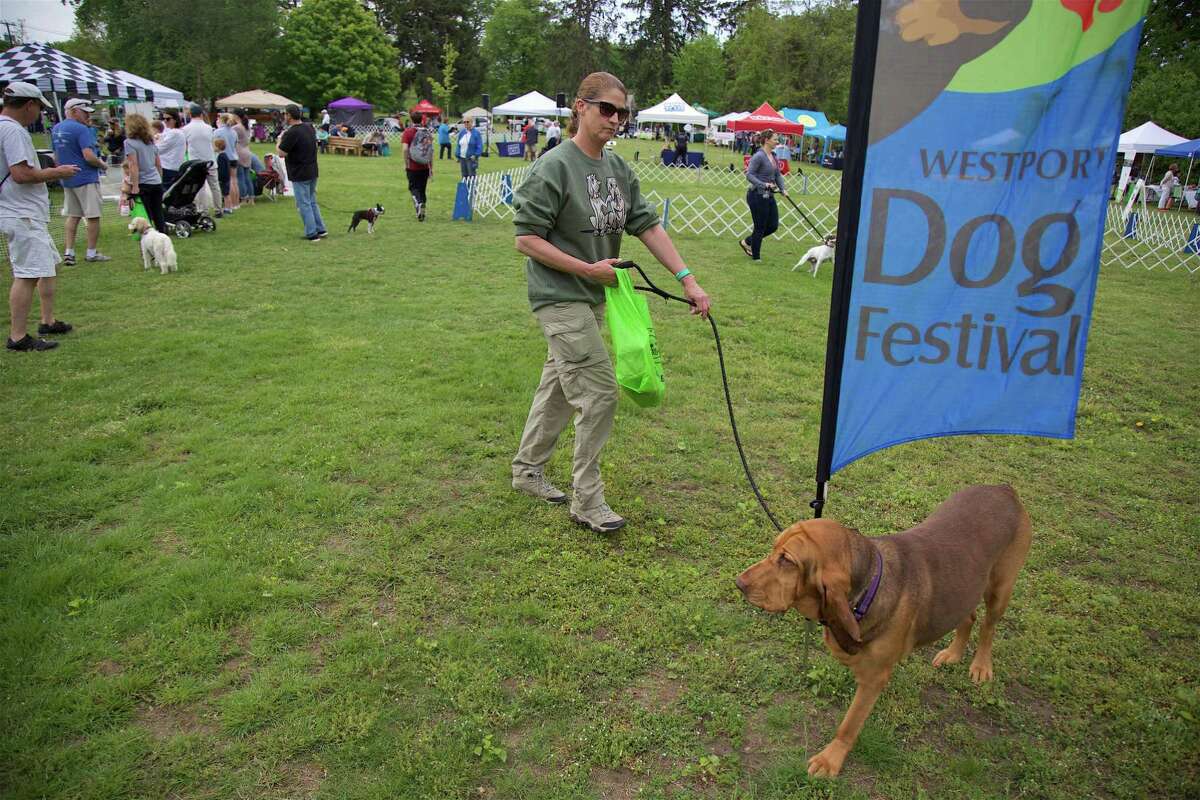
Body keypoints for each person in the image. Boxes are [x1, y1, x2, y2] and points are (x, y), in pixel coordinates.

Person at [510, 71, 712, 534]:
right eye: (607, 109)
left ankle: (527, 470)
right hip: (559, 297)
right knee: (598, 391)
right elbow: (526, 239)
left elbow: (648, 226)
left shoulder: (618, 170)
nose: (616, 119)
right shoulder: (556, 165)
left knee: (559, 388)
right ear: (580, 108)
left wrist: (688, 280)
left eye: (623, 112)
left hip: (592, 298)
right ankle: (587, 499)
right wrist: (587, 270)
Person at [2, 83, 81, 352]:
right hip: (21, 212)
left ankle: (47, 320)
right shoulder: (12, 130)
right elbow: (21, 174)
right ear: (29, 105)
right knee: (27, 274)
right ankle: (18, 337)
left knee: (48, 264)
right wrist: (57, 172)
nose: (39, 114)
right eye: (38, 108)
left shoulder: (5, 127)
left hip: (25, 211)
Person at [50, 97, 111, 265]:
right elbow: (89, 156)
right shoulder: (82, 129)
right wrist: (102, 165)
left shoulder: (56, 129)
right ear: (74, 111)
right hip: (86, 178)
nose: (87, 116)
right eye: (84, 112)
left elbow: (56, 156)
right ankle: (91, 252)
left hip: (68, 178)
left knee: (73, 215)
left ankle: (69, 252)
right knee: (93, 216)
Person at [277, 104, 326, 241]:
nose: (284, 117)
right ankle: (320, 229)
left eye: (285, 114)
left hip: (300, 172)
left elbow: (281, 153)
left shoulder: (292, 132)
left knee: (303, 203)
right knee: (311, 202)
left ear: (289, 115)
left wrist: (279, 140)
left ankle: (312, 233)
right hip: (312, 169)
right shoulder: (309, 127)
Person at [739, 129, 784, 261]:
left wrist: (783, 188)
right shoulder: (758, 156)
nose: (777, 141)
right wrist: (764, 184)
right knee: (760, 227)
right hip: (756, 195)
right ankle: (756, 257)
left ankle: (747, 242)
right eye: (775, 139)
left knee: (773, 225)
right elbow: (749, 175)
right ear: (766, 140)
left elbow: (777, 175)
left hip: (769, 195)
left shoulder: (774, 156)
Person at [123, 113, 166, 233]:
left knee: (145, 215)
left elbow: (133, 165)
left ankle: (147, 240)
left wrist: (135, 185)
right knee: (158, 212)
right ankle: (162, 235)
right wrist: (160, 179)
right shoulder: (150, 142)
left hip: (143, 183)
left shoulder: (129, 143)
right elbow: (158, 163)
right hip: (155, 181)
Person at [181, 103, 222, 215]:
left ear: (190, 115)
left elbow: (185, 145)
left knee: (200, 187)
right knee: (215, 186)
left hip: (196, 162)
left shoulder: (186, 129)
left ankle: (203, 210)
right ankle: (218, 209)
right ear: (201, 114)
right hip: (210, 160)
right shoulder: (209, 128)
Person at [401, 121, 432, 221]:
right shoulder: (427, 133)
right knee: (422, 189)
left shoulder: (408, 132)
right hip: (425, 166)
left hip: (412, 167)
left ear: (411, 119)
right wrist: (431, 167)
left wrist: (406, 162)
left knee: (413, 188)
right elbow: (430, 151)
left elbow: (405, 149)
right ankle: (421, 213)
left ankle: (419, 204)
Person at [155, 111, 186, 188]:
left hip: (169, 168)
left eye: (168, 119)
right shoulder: (176, 132)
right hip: (171, 167)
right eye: (164, 118)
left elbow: (159, 149)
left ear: (175, 120)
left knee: (166, 193)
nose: (165, 121)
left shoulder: (174, 133)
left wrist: (156, 141)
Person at [234, 110, 254, 206]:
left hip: (239, 152)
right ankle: (251, 198)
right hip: (247, 151)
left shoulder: (237, 127)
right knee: (247, 177)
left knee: (240, 177)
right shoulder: (246, 126)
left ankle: (243, 198)